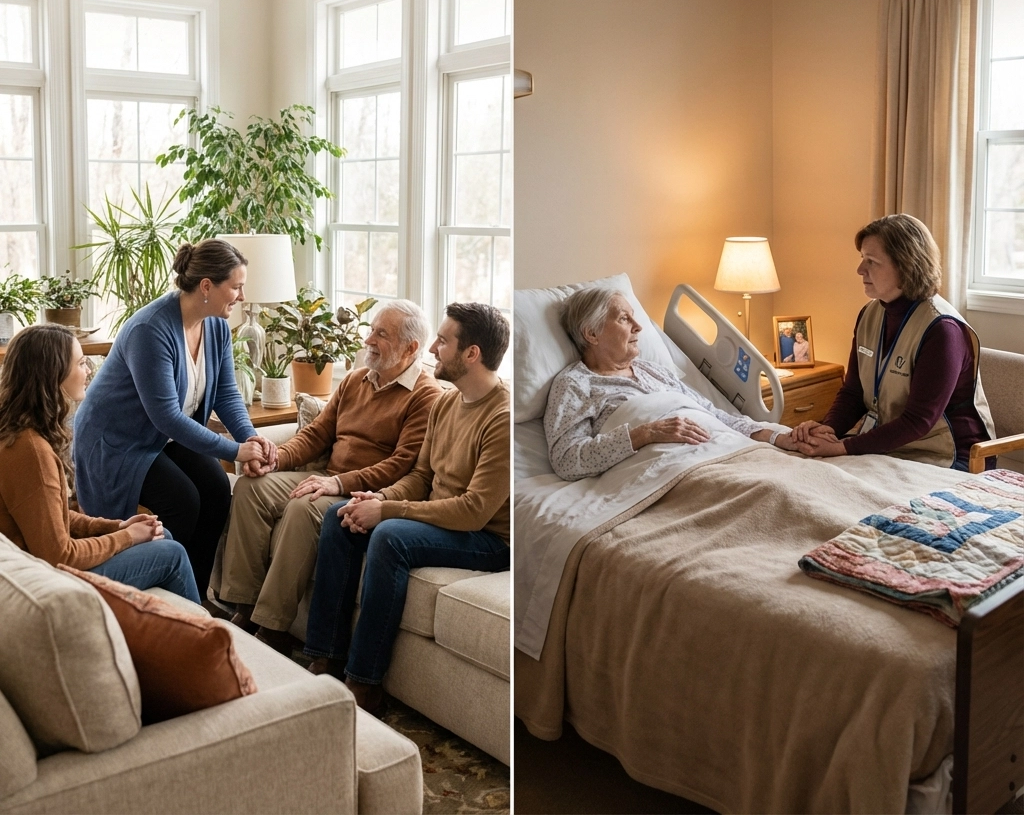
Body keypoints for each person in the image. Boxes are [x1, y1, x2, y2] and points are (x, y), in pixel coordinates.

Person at [302, 303, 511, 714]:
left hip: (489, 540)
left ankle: (364, 682)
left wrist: (391, 513)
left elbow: (472, 512)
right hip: (443, 518)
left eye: (444, 341)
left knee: (390, 537)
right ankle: (324, 656)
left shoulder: (501, 418)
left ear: (472, 354)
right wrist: (378, 498)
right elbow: (420, 477)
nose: (432, 347)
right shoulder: (448, 404)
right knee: (339, 516)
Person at [217, 299, 444, 652]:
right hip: (326, 476)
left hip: (363, 492)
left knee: (302, 507)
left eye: (381, 334)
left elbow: (401, 464)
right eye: (371, 329)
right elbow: (316, 435)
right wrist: (276, 460)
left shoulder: (426, 395)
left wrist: (337, 483)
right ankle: (243, 604)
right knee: (251, 486)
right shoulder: (355, 380)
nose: (368, 340)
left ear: (411, 348)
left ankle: (273, 626)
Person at [74, 239, 276, 600]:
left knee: (216, 491)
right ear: (206, 286)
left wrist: (251, 439)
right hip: (117, 442)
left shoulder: (214, 325)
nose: (242, 297)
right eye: (236, 286)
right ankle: (157, 596)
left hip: (160, 437)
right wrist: (234, 451)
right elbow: (166, 415)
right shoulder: (151, 329)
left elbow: (227, 394)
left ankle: (192, 599)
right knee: (183, 501)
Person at [0, 325, 200, 602]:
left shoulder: (19, 434)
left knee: (161, 534)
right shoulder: (32, 452)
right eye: (81, 363)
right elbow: (58, 555)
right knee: (173, 554)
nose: (89, 370)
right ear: (53, 376)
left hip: (40, 568)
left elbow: (50, 515)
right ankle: (205, 641)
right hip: (48, 584)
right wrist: (126, 538)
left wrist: (115, 527)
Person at [790, 214, 995, 469]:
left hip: (947, 456)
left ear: (906, 266)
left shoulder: (942, 330)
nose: (860, 270)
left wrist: (842, 447)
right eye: (862, 258)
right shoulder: (869, 314)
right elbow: (853, 393)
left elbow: (918, 421)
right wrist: (827, 430)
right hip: (893, 446)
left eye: (872, 262)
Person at [545, 288, 800, 481]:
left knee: (796, 477)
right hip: (677, 474)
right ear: (591, 333)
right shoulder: (575, 384)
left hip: (726, 452)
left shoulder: (654, 371)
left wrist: (778, 437)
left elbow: (715, 416)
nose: (638, 327)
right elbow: (568, 460)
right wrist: (646, 433)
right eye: (624, 319)